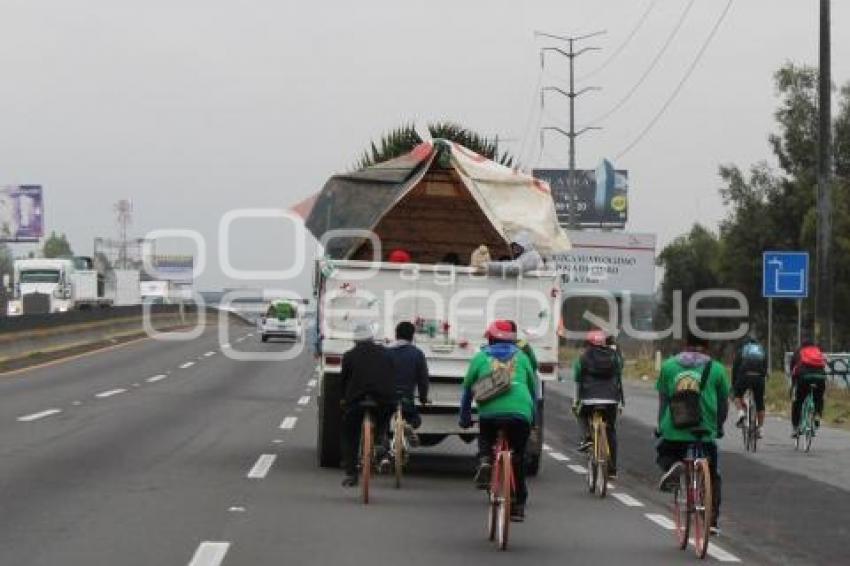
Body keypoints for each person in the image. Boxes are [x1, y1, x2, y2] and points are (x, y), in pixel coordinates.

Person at [459, 320, 537, 521]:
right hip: (520, 412)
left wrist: (465, 416)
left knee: (486, 432)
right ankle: (518, 505)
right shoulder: (523, 357)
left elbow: (468, 390)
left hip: (490, 412)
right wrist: (533, 419)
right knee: (518, 459)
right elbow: (532, 390)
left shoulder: (480, 357)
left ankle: (485, 458)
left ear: (490, 338)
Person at [656, 332, 729, 536]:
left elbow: (663, 401)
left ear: (685, 345)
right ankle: (712, 520)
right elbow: (723, 404)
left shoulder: (669, 366)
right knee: (713, 475)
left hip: (675, 429)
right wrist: (718, 426)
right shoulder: (717, 369)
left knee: (664, 451)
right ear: (706, 347)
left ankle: (674, 466)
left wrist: (661, 425)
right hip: (704, 431)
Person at [339, 322, 397, 487]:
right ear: (372, 338)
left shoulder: (349, 356)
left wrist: (343, 399)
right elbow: (391, 377)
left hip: (357, 400)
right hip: (383, 400)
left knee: (349, 434)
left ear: (355, 341)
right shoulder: (386, 354)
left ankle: (351, 473)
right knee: (384, 420)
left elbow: (343, 382)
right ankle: (379, 441)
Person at [573, 329, 623, 479]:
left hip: (589, 399)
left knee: (581, 414)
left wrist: (576, 401)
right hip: (611, 400)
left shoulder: (581, 358)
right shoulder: (615, 357)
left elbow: (577, 381)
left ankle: (586, 439)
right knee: (611, 430)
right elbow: (619, 376)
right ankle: (612, 470)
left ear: (587, 343)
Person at [384, 321, 430, 447]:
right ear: (412, 336)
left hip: (387, 397)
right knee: (415, 419)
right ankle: (407, 426)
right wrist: (423, 397)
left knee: (382, 420)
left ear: (396, 335)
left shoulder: (386, 352)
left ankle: (383, 449)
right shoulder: (417, 354)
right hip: (406, 397)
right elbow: (423, 379)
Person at [789, 340, 827, 437]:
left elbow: (792, 368)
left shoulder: (798, 351)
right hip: (820, 378)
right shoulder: (818, 351)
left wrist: (793, 383)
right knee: (819, 397)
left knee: (797, 402)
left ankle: (796, 428)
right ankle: (817, 415)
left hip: (804, 378)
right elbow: (823, 365)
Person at [731, 335, 767, 436]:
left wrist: (734, 385)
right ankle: (760, 429)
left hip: (744, 376)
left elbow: (735, 370)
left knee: (737, 396)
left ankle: (741, 413)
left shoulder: (741, 351)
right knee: (760, 402)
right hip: (758, 377)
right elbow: (765, 368)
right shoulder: (762, 350)